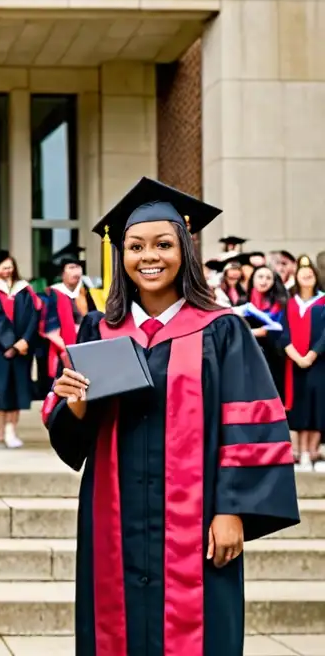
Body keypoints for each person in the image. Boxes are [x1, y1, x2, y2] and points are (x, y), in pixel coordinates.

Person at [43, 177, 299, 656]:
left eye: (163, 244)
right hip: (114, 519)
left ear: (185, 250)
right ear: (121, 255)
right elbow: (71, 440)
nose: (149, 256)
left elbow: (248, 427)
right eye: (136, 246)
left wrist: (232, 511)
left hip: (197, 523)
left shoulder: (222, 330)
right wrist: (73, 405)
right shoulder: (98, 329)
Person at [0, 251, 40, 449]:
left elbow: (34, 316)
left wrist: (25, 341)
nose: (8, 270)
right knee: (0, 391)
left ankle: (12, 430)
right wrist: (10, 343)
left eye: (10, 266)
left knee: (17, 391)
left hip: (21, 350)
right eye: (3, 267)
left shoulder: (25, 289)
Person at [279, 255, 325, 472]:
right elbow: (282, 333)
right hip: (294, 363)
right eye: (302, 272)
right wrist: (297, 357)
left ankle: (313, 453)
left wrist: (311, 356)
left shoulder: (323, 301)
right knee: (300, 406)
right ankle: (302, 453)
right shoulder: (289, 303)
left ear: (316, 276)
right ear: (296, 277)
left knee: (318, 406)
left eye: (310, 272)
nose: (307, 275)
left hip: (319, 362)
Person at [39, 246, 96, 395]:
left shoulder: (87, 293)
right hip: (61, 353)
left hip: (85, 351)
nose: (76, 272)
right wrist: (67, 351)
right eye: (71, 268)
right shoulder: (52, 294)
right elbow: (50, 330)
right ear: (62, 273)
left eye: (78, 268)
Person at [246, 264, 288, 397]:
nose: (264, 281)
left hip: (273, 354)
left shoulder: (280, 303)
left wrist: (252, 332)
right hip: (248, 354)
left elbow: (280, 329)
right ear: (253, 279)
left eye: (268, 278)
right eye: (260, 277)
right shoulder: (243, 302)